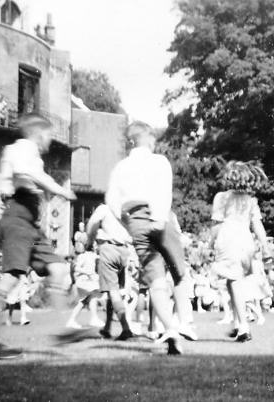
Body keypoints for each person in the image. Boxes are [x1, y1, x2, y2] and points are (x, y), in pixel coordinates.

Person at [0, 113, 78, 359]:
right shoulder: (21, 149)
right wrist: (59, 190)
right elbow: (24, 175)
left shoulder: (27, 154)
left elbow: (3, 190)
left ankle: (63, 330)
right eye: (49, 136)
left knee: (58, 269)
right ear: (38, 133)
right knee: (11, 277)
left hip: (30, 223)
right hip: (19, 218)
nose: (50, 142)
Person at [106, 121, 195, 355]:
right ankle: (185, 322)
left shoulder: (120, 167)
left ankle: (170, 329)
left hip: (134, 219)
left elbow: (111, 201)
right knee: (179, 271)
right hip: (158, 216)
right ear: (149, 140)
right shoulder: (158, 161)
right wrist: (158, 218)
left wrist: (126, 223)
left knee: (155, 278)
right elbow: (163, 190)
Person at [209, 161, 269, 342]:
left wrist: (210, 244)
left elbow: (217, 224)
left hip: (228, 239)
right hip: (245, 240)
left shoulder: (222, 197)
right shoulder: (250, 200)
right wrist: (264, 245)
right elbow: (257, 225)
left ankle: (244, 327)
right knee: (232, 281)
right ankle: (237, 324)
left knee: (233, 282)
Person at [84, 203, 134, 339]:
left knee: (113, 291)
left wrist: (89, 240)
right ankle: (107, 327)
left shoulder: (104, 208)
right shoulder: (125, 210)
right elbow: (132, 232)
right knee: (115, 291)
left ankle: (125, 328)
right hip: (124, 251)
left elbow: (92, 224)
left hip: (108, 249)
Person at [66, 244, 104, 329]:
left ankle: (73, 320)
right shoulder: (83, 256)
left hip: (88, 282)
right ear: (91, 247)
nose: (96, 246)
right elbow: (76, 268)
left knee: (85, 301)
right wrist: (87, 271)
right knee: (94, 296)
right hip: (83, 282)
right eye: (94, 245)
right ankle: (93, 319)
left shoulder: (94, 256)